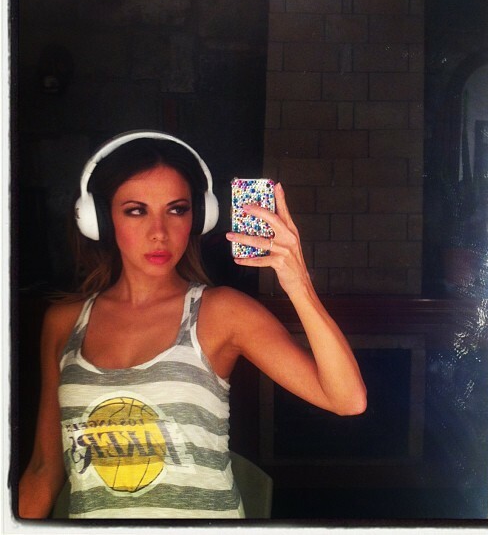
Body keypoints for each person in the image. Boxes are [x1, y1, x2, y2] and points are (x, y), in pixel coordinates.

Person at [18, 131, 367, 519]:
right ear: (99, 219)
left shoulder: (222, 312)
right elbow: (43, 469)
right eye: (136, 211)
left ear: (198, 217)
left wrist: (297, 280)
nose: (159, 232)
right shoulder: (64, 322)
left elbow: (347, 399)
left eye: (177, 209)